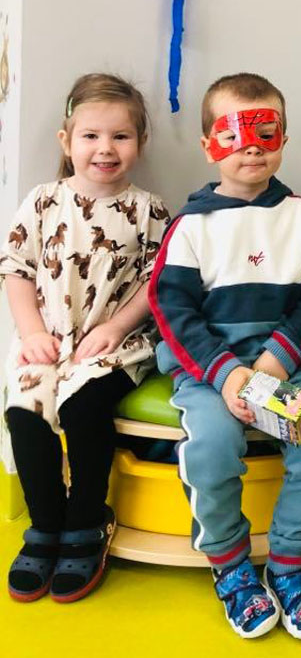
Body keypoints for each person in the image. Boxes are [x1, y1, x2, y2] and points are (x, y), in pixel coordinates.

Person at [149, 72, 301, 641]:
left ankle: (288, 563)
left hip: (285, 363)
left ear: (284, 138)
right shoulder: (191, 226)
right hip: (209, 371)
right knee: (211, 450)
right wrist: (226, 372)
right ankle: (230, 564)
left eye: (266, 132)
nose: (251, 146)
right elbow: (171, 307)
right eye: (233, 133)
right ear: (207, 144)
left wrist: (279, 357)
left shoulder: (300, 216)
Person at [2, 73, 169, 603]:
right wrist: (31, 332)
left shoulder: (150, 210)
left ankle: (87, 520)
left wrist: (116, 327)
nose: (105, 148)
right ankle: (46, 525)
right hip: (48, 338)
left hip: (117, 343)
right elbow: (16, 269)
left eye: (121, 136)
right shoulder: (43, 201)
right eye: (91, 136)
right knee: (25, 410)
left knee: (82, 406)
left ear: (140, 142)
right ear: (66, 140)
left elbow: (156, 283)